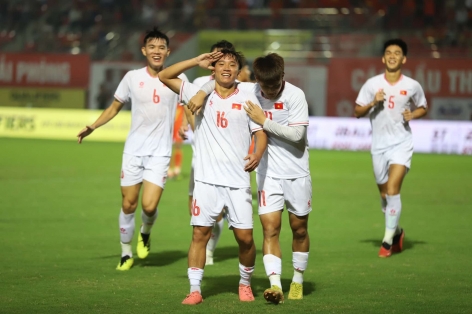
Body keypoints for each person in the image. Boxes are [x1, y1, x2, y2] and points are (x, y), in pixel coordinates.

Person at [190, 53, 312, 304]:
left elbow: (298, 135)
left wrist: (263, 121)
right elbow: (219, 80)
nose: (269, 91)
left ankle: (297, 280)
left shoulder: (295, 95)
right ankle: (276, 285)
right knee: (270, 229)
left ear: (283, 78)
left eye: (274, 85)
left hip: (297, 172)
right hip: (268, 174)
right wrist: (202, 92)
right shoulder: (251, 90)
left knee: (299, 229)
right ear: (257, 81)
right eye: (264, 86)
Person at [158, 50, 268, 305]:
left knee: (246, 238)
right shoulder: (198, 92)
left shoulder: (249, 94)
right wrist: (196, 61)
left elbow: (260, 132)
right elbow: (164, 75)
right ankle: (195, 289)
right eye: (221, 64)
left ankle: (244, 283)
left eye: (232, 64)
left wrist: (258, 153)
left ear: (240, 69)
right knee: (199, 234)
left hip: (238, 180)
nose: (227, 68)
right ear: (213, 68)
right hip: (206, 181)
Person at [76, 28, 188, 270]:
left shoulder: (179, 78)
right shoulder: (132, 77)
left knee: (149, 206)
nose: (156, 51)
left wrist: (187, 123)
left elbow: (189, 104)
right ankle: (126, 253)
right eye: (152, 47)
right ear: (144, 50)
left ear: (168, 52)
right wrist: (93, 126)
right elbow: (115, 107)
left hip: (160, 152)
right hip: (133, 151)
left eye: (161, 48)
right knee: (128, 205)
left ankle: (145, 231)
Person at [354, 38, 427, 258]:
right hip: (378, 146)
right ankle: (397, 232)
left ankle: (386, 242)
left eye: (397, 53)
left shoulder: (412, 85)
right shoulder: (372, 84)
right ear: (383, 57)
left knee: (393, 190)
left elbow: (423, 107)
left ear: (403, 59)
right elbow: (357, 111)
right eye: (388, 52)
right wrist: (372, 103)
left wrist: (412, 114)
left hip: (402, 144)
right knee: (385, 195)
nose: (392, 56)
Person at [189, 40, 236, 266]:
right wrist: (191, 127)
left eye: (227, 60)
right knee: (195, 211)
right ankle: (200, 249)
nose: (222, 64)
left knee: (215, 214)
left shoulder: (238, 85)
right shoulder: (198, 82)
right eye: (217, 59)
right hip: (199, 156)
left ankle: (208, 250)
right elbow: (188, 107)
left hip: (226, 160)